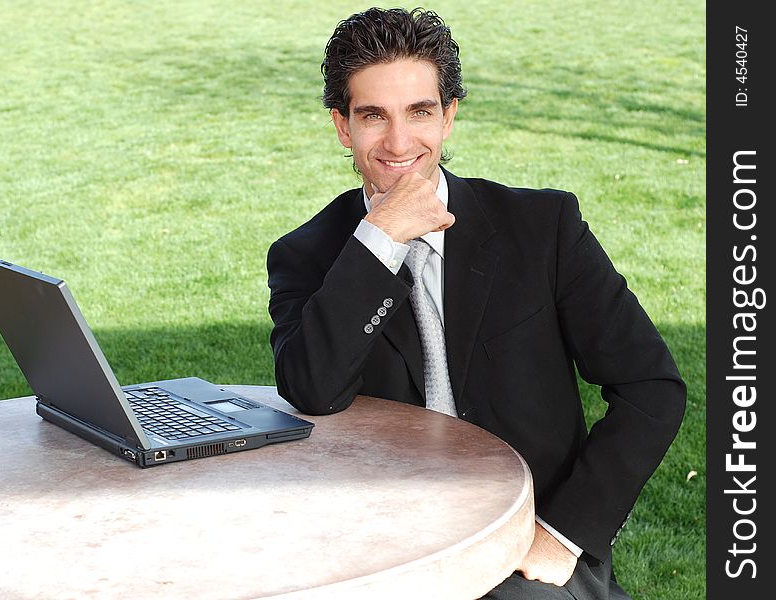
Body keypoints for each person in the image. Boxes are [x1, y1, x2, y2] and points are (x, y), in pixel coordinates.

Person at [266, 7, 686, 599]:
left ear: (449, 114)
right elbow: (312, 387)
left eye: (420, 112)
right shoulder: (306, 255)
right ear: (342, 125)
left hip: (528, 546)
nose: (398, 141)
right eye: (372, 117)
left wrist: (561, 534)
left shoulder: (542, 228)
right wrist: (379, 240)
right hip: (390, 551)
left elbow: (652, 388)